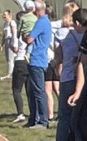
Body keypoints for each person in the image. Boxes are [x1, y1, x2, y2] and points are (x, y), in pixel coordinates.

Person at [54, 6, 87, 141]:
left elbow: (58, 57)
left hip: (68, 77)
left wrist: (57, 66)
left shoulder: (63, 35)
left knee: (64, 116)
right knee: (80, 117)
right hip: (83, 79)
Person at [24, 0, 52, 128]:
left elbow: (30, 39)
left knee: (38, 91)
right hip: (39, 59)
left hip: (37, 59)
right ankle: (34, 119)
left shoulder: (41, 22)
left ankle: (42, 120)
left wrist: (25, 36)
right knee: (33, 90)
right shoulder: (45, 21)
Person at [9, 1, 34, 122]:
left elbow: (14, 47)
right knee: (29, 90)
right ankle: (33, 112)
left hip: (20, 61)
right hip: (29, 62)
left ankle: (20, 113)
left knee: (16, 89)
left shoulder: (18, 34)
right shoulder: (32, 32)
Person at [1, 10, 16, 79]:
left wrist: (13, 43)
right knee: (8, 58)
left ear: (9, 15)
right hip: (7, 41)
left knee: (11, 58)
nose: (3, 16)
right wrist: (2, 44)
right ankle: (10, 73)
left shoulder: (12, 23)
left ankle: (11, 74)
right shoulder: (5, 24)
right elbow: (4, 35)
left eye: (5, 14)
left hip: (11, 40)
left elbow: (14, 33)